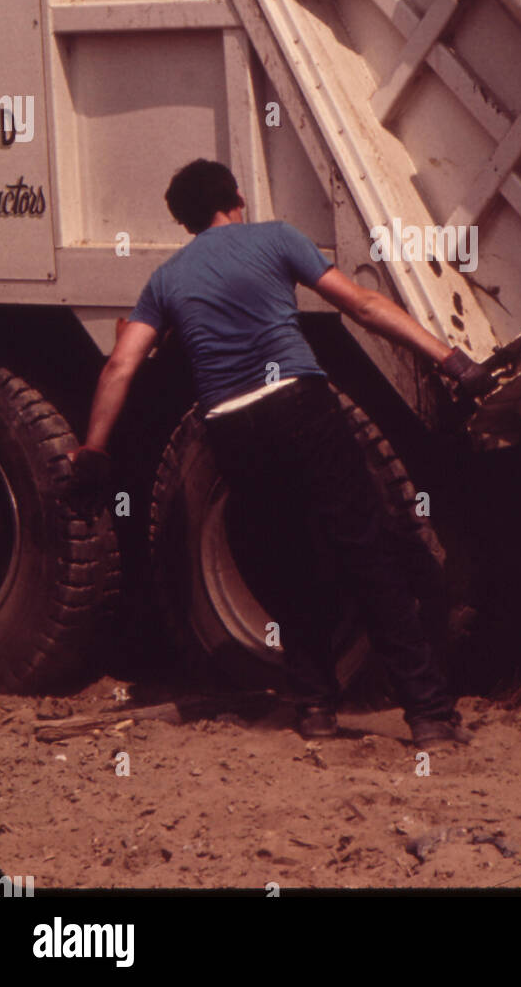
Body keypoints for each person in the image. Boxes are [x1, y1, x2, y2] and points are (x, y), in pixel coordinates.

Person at [70, 159, 493, 746]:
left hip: (231, 429)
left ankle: (315, 708)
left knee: (288, 562)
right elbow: (364, 307)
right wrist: (450, 359)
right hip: (298, 404)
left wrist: (93, 448)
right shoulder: (276, 237)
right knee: (366, 551)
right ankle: (428, 716)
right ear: (236, 198)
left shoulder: (167, 279)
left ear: (185, 222)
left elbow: (122, 363)